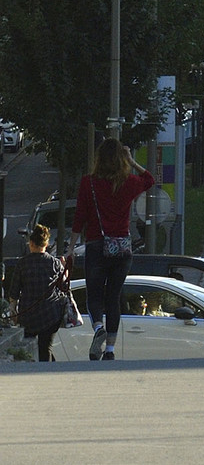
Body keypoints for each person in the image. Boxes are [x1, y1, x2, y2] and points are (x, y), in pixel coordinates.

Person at [68, 137, 156, 363]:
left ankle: (98, 327)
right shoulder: (129, 182)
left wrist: (70, 248)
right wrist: (132, 160)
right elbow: (150, 180)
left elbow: (79, 217)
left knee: (94, 294)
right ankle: (109, 350)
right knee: (113, 298)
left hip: (97, 246)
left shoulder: (88, 183)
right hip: (122, 249)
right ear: (120, 159)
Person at [8, 223, 71, 362]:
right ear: (46, 243)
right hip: (50, 314)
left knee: (29, 346)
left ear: (31, 243)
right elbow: (64, 287)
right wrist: (65, 270)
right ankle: (47, 371)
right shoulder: (54, 263)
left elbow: (14, 291)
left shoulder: (22, 263)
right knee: (45, 346)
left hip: (28, 314)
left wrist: (13, 310)